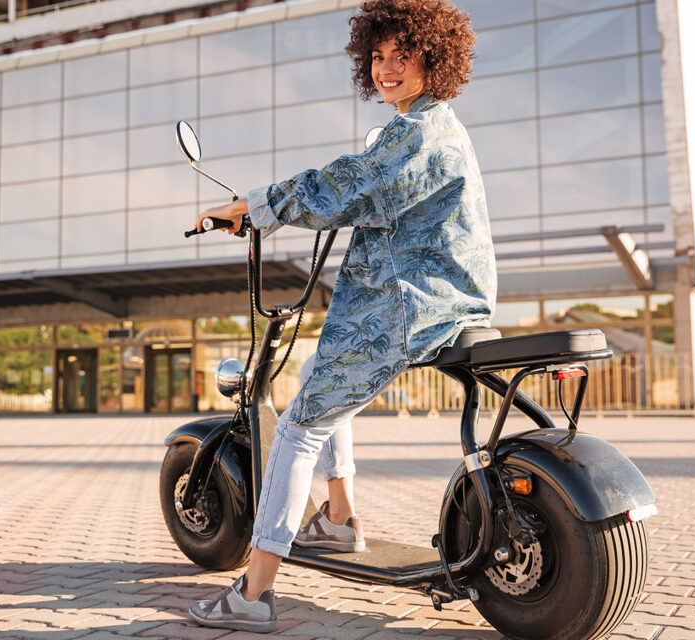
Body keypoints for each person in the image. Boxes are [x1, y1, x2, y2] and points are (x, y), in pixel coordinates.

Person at [188, 0, 496, 632]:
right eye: (377, 56)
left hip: (409, 306)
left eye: (402, 55)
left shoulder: (423, 132)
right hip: (425, 301)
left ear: (435, 58)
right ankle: (338, 518)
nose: (386, 68)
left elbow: (351, 185)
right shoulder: (421, 128)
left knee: (298, 428)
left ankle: (253, 593)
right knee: (321, 384)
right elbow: (365, 190)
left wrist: (255, 205)